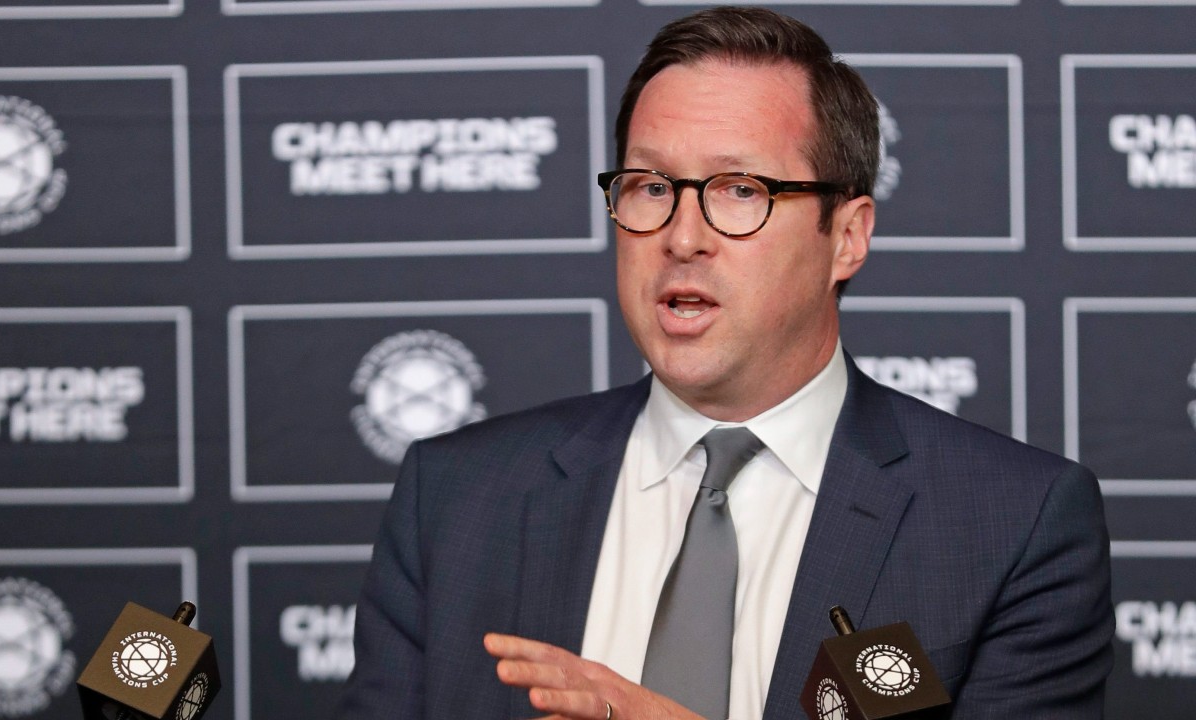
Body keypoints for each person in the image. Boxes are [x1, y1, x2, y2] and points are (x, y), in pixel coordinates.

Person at [337, 6, 1114, 719]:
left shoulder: (1016, 525)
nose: (681, 236)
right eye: (649, 186)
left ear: (846, 237)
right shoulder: (454, 499)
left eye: (740, 189)